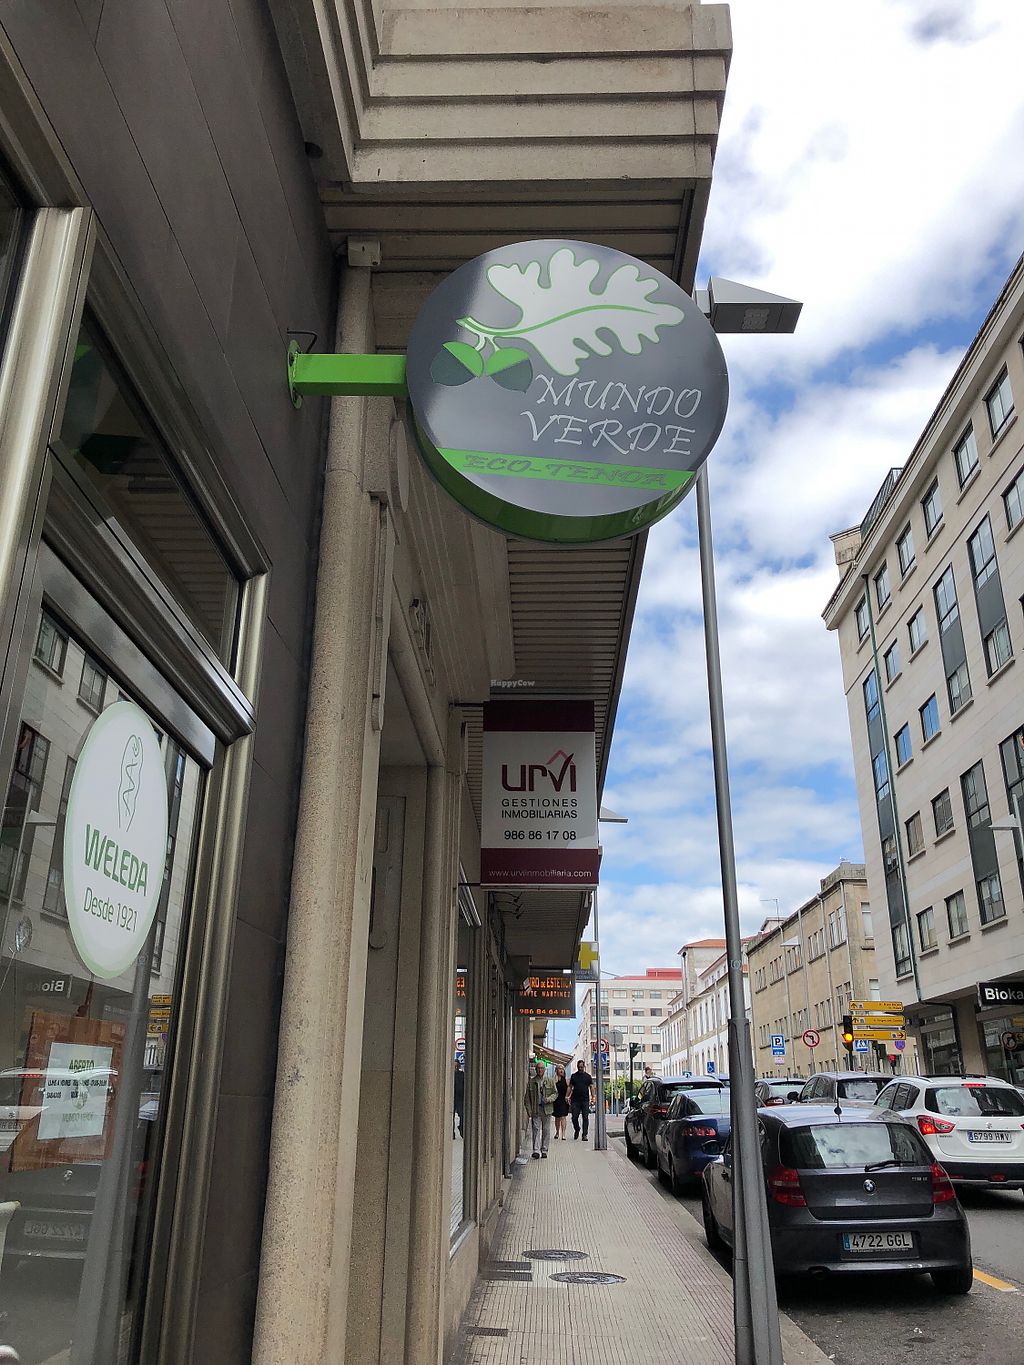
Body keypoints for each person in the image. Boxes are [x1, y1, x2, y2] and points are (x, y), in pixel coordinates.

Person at [524, 1062, 557, 1158]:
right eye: (538, 1068)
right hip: (536, 1109)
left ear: (544, 1069)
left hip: (547, 1109)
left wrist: (549, 1099)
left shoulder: (550, 1081)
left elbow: (555, 1093)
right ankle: (536, 1150)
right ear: (536, 1069)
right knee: (536, 1129)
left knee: (546, 1130)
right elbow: (527, 1098)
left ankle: (544, 1150)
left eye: (542, 1068)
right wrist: (529, 1111)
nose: (540, 1070)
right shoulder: (532, 1082)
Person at [568, 1059, 594, 1141]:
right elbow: (570, 1087)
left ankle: (584, 1135)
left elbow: (591, 1087)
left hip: (585, 1100)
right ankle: (577, 1129)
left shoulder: (588, 1076)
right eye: (579, 1067)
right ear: (577, 1067)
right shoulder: (573, 1076)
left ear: (584, 1067)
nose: (580, 1068)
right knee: (574, 1117)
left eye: (581, 1067)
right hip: (575, 1100)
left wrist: (593, 1097)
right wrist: (567, 1096)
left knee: (585, 1117)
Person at [552, 1064, 569, 1140]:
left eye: (562, 1069)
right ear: (556, 1070)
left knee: (563, 1117)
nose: (561, 1070)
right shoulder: (553, 1079)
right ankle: (557, 1132)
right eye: (559, 1069)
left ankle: (563, 1134)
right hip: (556, 1100)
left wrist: (568, 1097)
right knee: (557, 1117)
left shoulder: (566, 1080)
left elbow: (570, 1089)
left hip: (564, 1100)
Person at [453, 1062, 465, 1138]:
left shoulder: (462, 1074)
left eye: (456, 1066)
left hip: (460, 1098)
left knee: (462, 1114)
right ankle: (452, 1132)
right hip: (452, 1097)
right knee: (451, 1115)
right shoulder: (450, 1075)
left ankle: (461, 1128)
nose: (455, 1067)